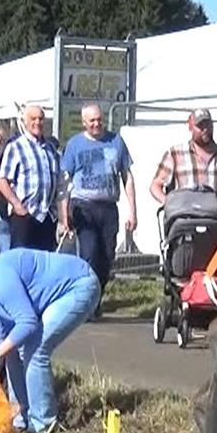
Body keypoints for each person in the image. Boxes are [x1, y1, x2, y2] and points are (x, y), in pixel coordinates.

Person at [0, 246, 100, 433]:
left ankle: (42, 427)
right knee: (12, 353)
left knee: (35, 350)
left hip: (78, 286)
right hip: (52, 300)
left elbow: (27, 323)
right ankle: (20, 418)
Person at [59, 103, 137, 307]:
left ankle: (96, 298)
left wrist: (133, 211)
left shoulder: (116, 142)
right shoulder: (75, 145)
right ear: (84, 122)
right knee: (89, 253)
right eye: (92, 120)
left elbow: (127, 176)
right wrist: (64, 214)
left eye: (99, 119)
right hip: (83, 206)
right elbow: (65, 181)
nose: (96, 124)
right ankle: (85, 302)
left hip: (108, 206)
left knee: (107, 257)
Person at [0, 104, 62, 250]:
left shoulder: (51, 149)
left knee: (44, 265)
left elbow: (59, 183)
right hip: (24, 216)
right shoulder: (15, 146)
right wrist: (17, 205)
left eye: (40, 119)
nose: (37, 123)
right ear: (25, 122)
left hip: (47, 216)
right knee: (22, 262)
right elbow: (3, 181)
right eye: (33, 119)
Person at [149, 108, 217, 205]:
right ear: (190, 127)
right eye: (200, 126)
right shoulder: (175, 154)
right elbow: (155, 186)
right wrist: (168, 203)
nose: (205, 129)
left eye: (207, 124)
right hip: (184, 217)